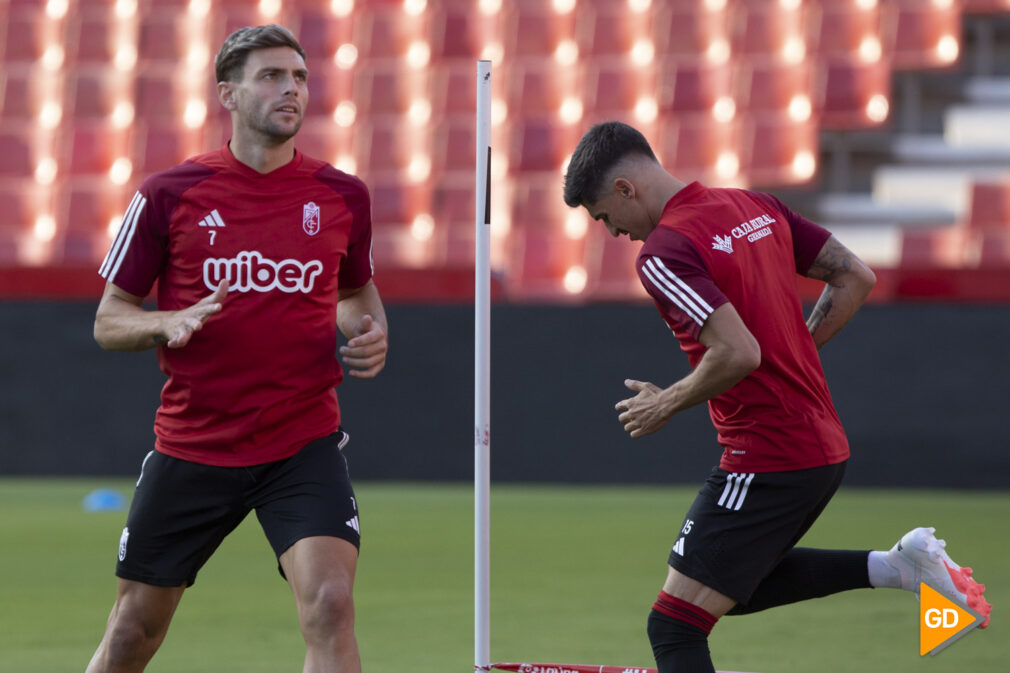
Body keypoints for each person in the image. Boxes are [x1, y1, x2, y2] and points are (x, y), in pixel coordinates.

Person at [562, 121, 990, 673]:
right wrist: (796, 352)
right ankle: (901, 568)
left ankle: (903, 568)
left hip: (767, 453)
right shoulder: (751, 205)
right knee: (733, 587)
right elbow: (855, 276)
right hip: (819, 447)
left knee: (673, 624)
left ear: (625, 190)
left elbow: (738, 353)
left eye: (603, 217)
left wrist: (665, 402)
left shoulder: (664, 252)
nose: (613, 232)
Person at [87, 25, 386, 673]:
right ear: (229, 92)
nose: (291, 89)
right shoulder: (168, 194)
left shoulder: (342, 196)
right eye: (272, 76)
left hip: (301, 440)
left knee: (331, 602)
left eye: (300, 77)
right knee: (133, 629)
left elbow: (357, 293)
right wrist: (165, 322)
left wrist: (368, 330)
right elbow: (109, 321)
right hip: (195, 443)